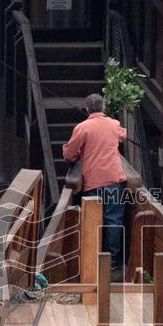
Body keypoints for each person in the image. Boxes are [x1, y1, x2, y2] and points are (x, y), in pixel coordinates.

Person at [62, 93, 128, 277]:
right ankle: (112, 261)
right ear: (103, 107)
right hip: (114, 179)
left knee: (93, 220)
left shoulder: (83, 128)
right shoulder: (114, 124)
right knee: (114, 220)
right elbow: (124, 135)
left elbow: (69, 154)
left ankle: (92, 259)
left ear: (87, 109)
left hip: (93, 181)